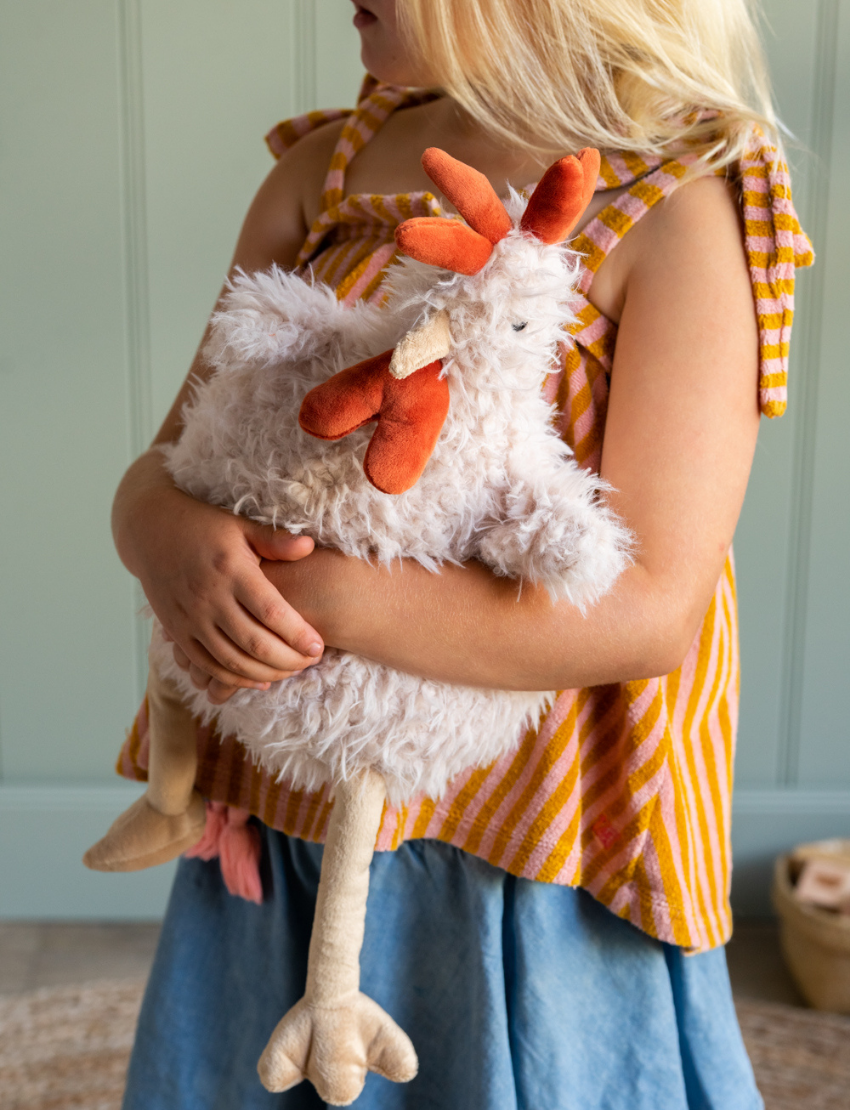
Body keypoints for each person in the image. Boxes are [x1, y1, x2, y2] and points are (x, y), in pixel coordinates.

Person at [116, 1, 812, 1106]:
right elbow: (170, 455)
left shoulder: (673, 210)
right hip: (299, 782)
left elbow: (649, 609)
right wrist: (154, 530)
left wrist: (326, 600)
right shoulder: (322, 174)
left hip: (526, 829)